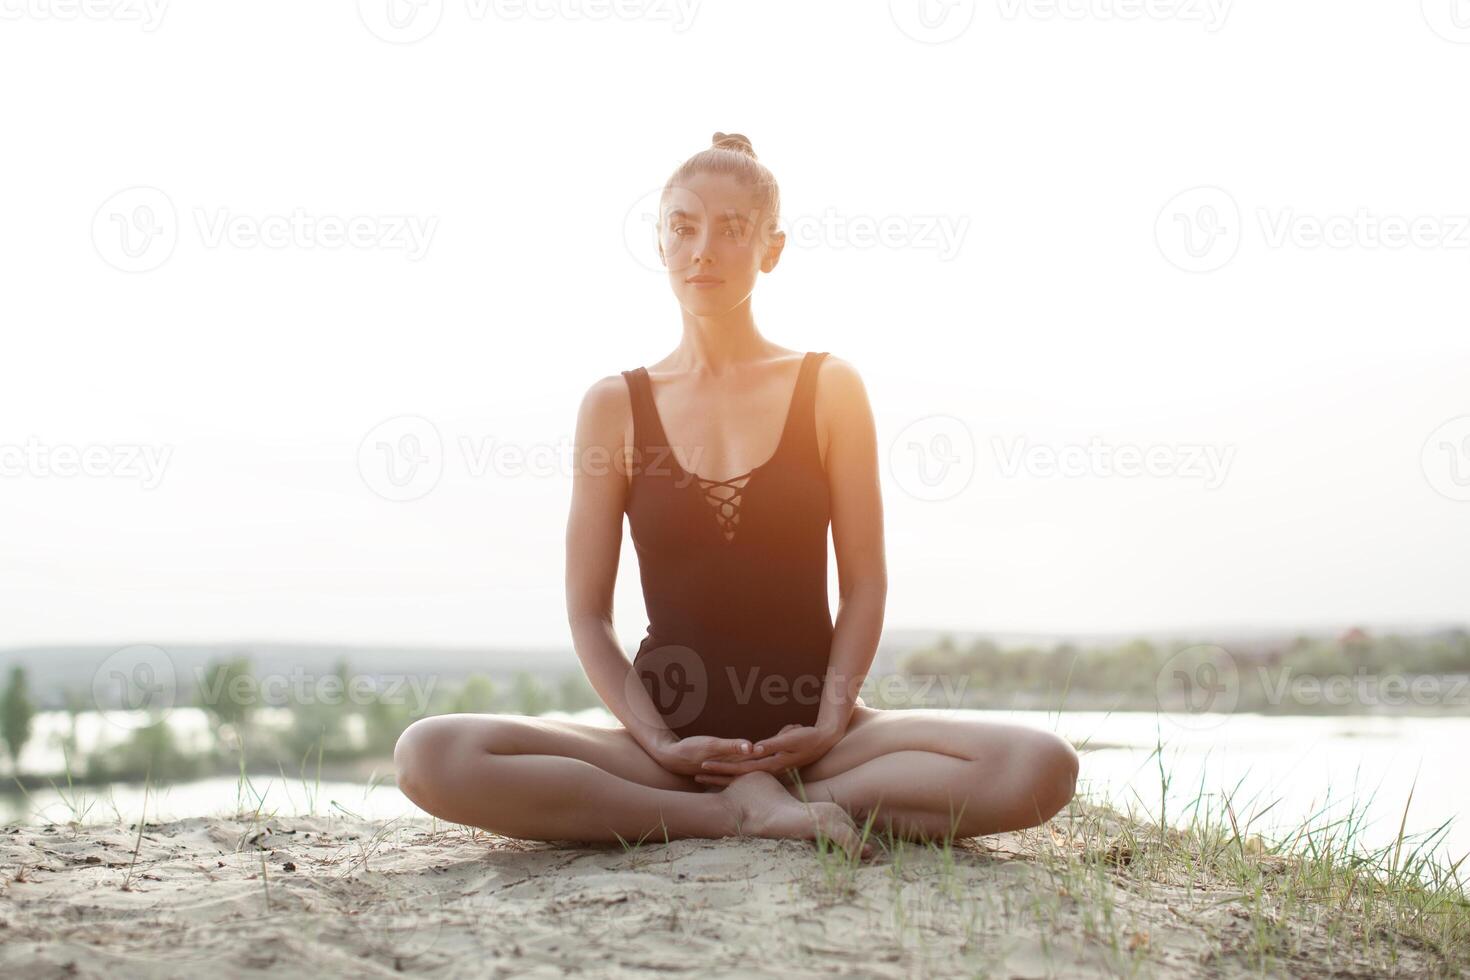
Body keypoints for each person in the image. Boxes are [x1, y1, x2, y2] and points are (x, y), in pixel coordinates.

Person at [394, 132, 1078, 858]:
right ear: (660, 244)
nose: (703, 250)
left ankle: (785, 797)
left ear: (771, 248)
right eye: (683, 228)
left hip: (816, 740)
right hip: (670, 746)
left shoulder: (829, 388)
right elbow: (589, 615)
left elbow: (866, 584)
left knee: (1038, 767)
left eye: (732, 229)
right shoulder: (615, 405)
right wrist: (659, 741)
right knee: (430, 753)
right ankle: (730, 814)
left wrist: (826, 721)